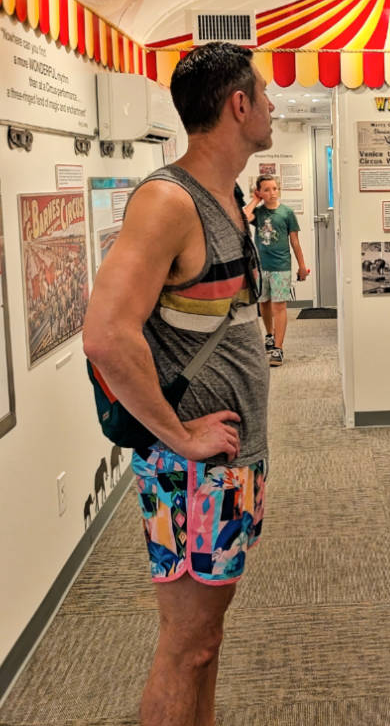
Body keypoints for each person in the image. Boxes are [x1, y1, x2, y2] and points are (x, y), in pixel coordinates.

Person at [82, 42, 274, 726]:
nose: (274, 105)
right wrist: (179, 434)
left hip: (225, 462)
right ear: (238, 105)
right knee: (185, 644)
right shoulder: (169, 200)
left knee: (204, 642)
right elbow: (105, 333)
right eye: (265, 93)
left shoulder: (225, 196)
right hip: (192, 470)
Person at [243, 174, 309, 367]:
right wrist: (255, 199)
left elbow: (294, 242)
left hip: (281, 267)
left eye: (274, 188)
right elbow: (244, 216)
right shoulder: (259, 213)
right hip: (261, 266)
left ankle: (278, 349)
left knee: (279, 306)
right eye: (266, 190)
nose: (271, 193)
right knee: (264, 302)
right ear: (260, 192)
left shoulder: (287, 213)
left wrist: (302, 266)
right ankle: (269, 336)